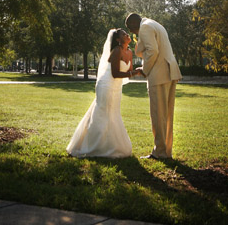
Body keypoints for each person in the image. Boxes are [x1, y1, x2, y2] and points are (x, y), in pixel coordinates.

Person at [67, 28, 137, 158]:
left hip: (116, 87)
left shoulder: (130, 52)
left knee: (113, 113)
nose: (127, 34)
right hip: (106, 84)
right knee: (102, 114)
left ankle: (111, 146)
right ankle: (92, 146)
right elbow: (115, 73)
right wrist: (135, 72)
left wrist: (138, 70)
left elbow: (129, 71)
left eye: (126, 33)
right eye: (123, 34)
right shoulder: (116, 51)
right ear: (118, 39)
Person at [125, 12, 182, 159]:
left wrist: (144, 70)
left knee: (158, 115)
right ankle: (165, 151)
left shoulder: (145, 27)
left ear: (134, 23)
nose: (130, 32)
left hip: (159, 74)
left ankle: (159, 152)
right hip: (169, 72)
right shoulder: (154, 24)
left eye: (130, 28)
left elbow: (152, 51)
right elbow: (147, 50)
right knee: (166, 115)